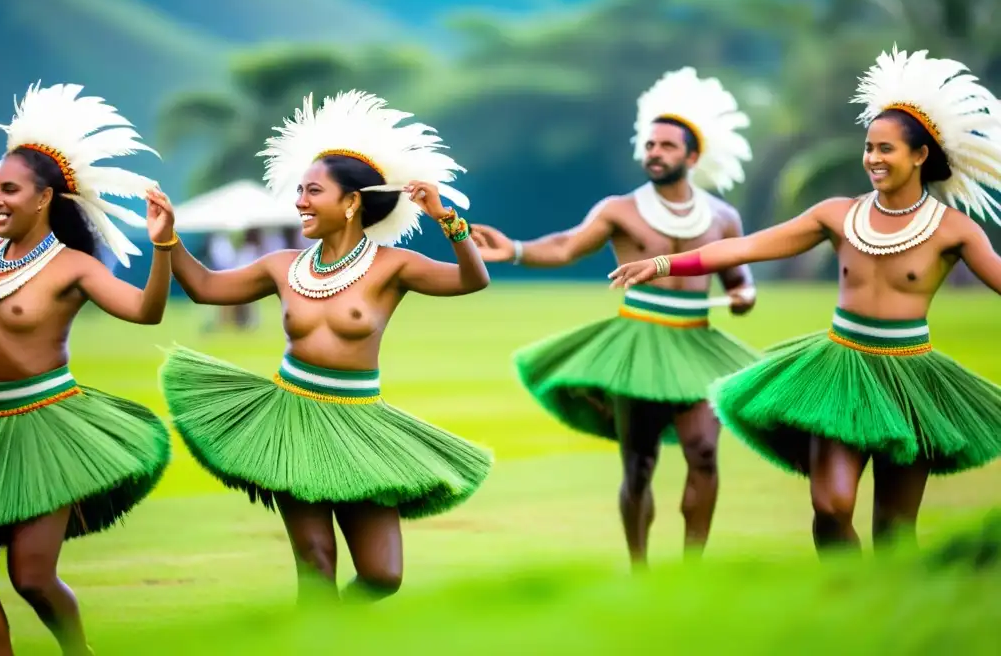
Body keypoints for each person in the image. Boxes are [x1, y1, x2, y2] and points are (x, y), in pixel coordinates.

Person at [609, 46, 1001, 556]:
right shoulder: (837, 215)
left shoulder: (954, 229)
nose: (873, 159)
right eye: (868, 147)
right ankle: (844, 587)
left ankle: (876, 616)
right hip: (838, 371)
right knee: (831, 507)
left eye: (886, 150)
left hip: (911, 382)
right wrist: (664, 264)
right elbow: (745, 246)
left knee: (895, 531)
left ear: (920, 155)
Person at [155, 90, 493, 603]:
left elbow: (473, 281)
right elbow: (206, 287)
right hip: (290, 419)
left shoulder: (391, 267)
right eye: (299, 191)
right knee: (315, 563)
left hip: (361, 424)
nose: (300, 202)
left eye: (313, 191)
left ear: (351, 202)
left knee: (383, 576)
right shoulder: (283, 264)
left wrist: (447, 219)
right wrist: (168, 239)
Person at [471, 67, 760, 566]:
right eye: (649, 145)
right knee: (640, 464)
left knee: (704, 453)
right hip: (640, 342)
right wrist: (514, 249)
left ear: (692, 157)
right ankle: (640, 570)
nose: (655, 153)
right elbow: (565, 246)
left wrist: (745, 294)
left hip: (698, 342)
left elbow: (739, 281)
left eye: (667, 146)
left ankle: (695, 571)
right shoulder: (620, 209)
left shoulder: (722, 218)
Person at [0, 83, 174, 655]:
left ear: (43, 199)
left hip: (46, 429)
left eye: (9, 189)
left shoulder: (72, 267)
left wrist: (162, 250)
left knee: (32, 578)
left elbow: (145, 311)